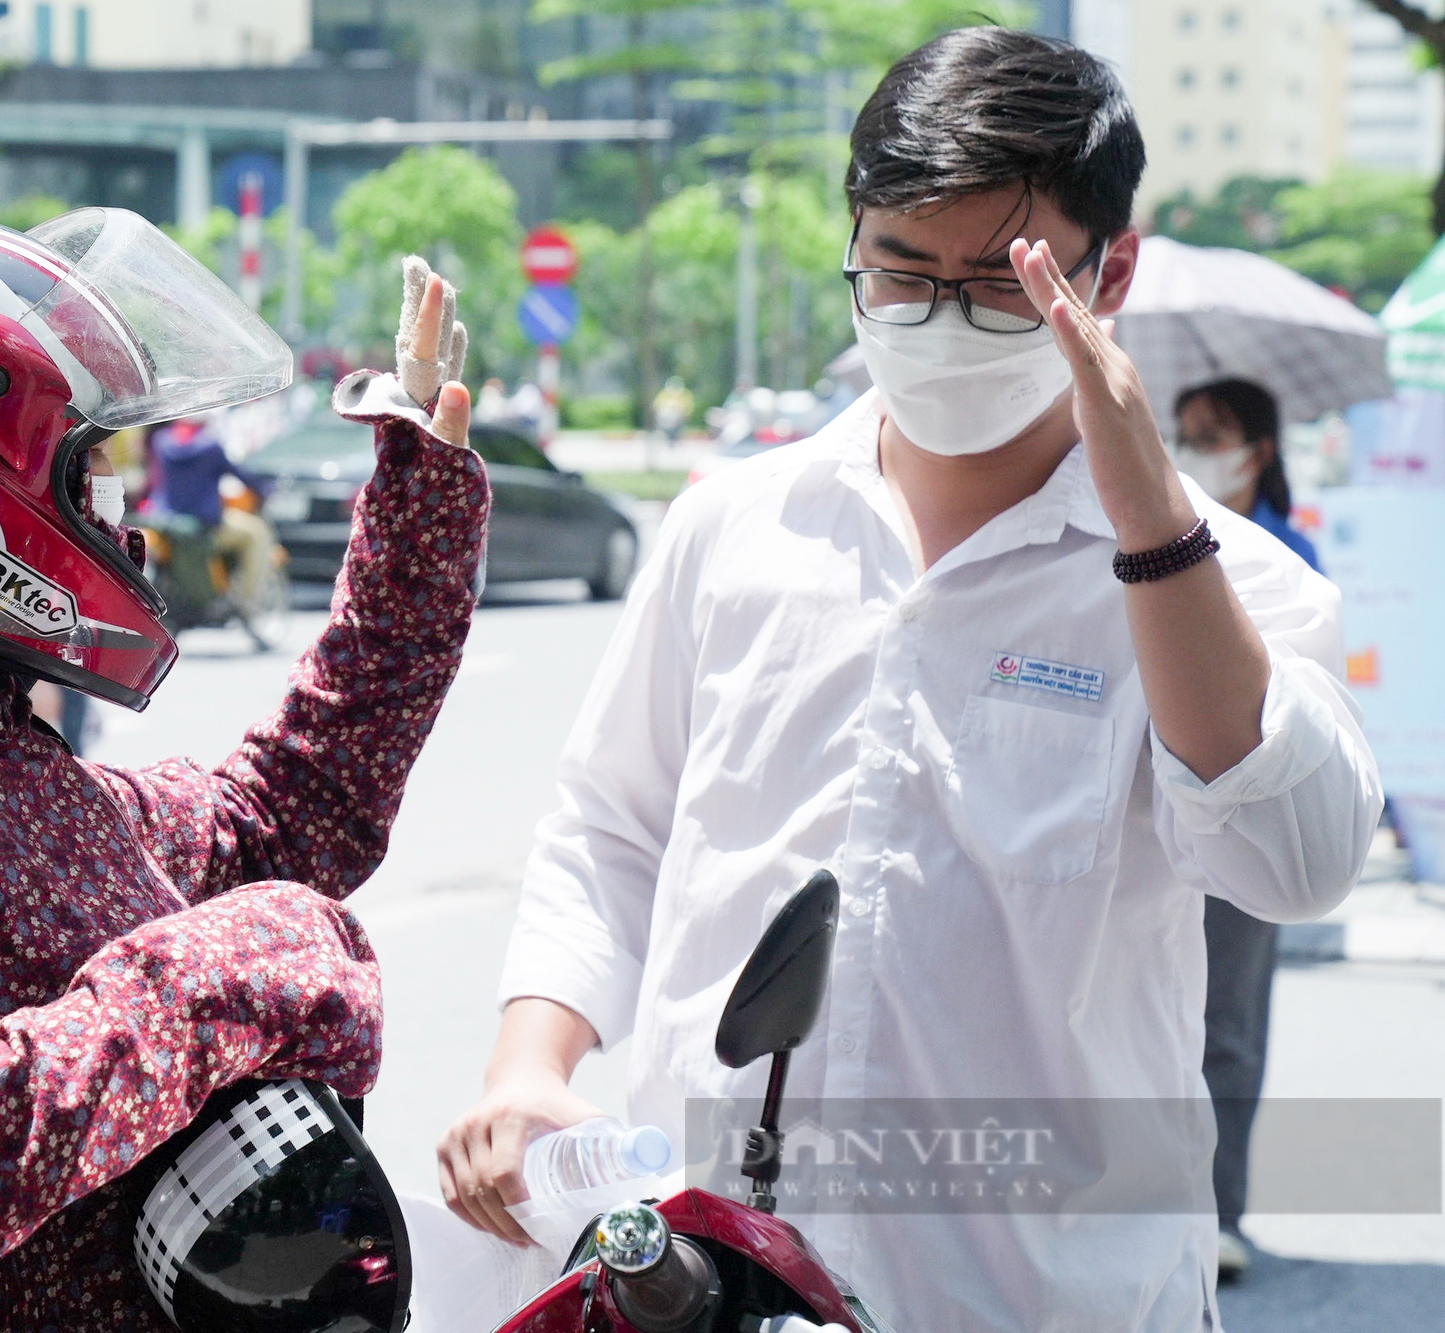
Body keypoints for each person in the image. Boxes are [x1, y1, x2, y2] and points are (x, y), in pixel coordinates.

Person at [438, 29, 1379, 1333]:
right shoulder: (737, 526)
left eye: (1004, 283)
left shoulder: (1229, 585)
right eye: (902, 270)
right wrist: (529, 1062)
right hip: (708, 1278)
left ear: (1114, 273)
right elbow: (613, 826)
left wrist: (1156, 526)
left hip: (1043, 1293)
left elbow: (1300, 860)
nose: (945, 322)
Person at [0, 208, 484, 1331]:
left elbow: (297, 809)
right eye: (90, 477)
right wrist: (186, 996)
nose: (122, 521)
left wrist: (421, 493)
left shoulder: (8, 771)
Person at [1172, 377, 1319, 1282]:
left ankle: (1219, 1212)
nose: (1193, 448)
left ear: (1258, 449)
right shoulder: (1148, 519)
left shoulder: (1289, 554)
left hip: (1246, 799)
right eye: (1181, 432)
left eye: (1212, 434)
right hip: (1161, 795)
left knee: (1224, 1017)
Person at [1174, 378, 1320, 570]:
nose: (1190, 454)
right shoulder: (1160, 539)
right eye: (1183, 442)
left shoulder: (1292, 555)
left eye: (1209, 439)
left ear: (1259, 453)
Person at [146, 415, 277, 609]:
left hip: (167, 520)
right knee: (256, 532)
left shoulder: (161, 442)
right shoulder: (211, 447)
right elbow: (240, 474)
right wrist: (265, 489)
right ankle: (246, 600)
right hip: (203, 525)